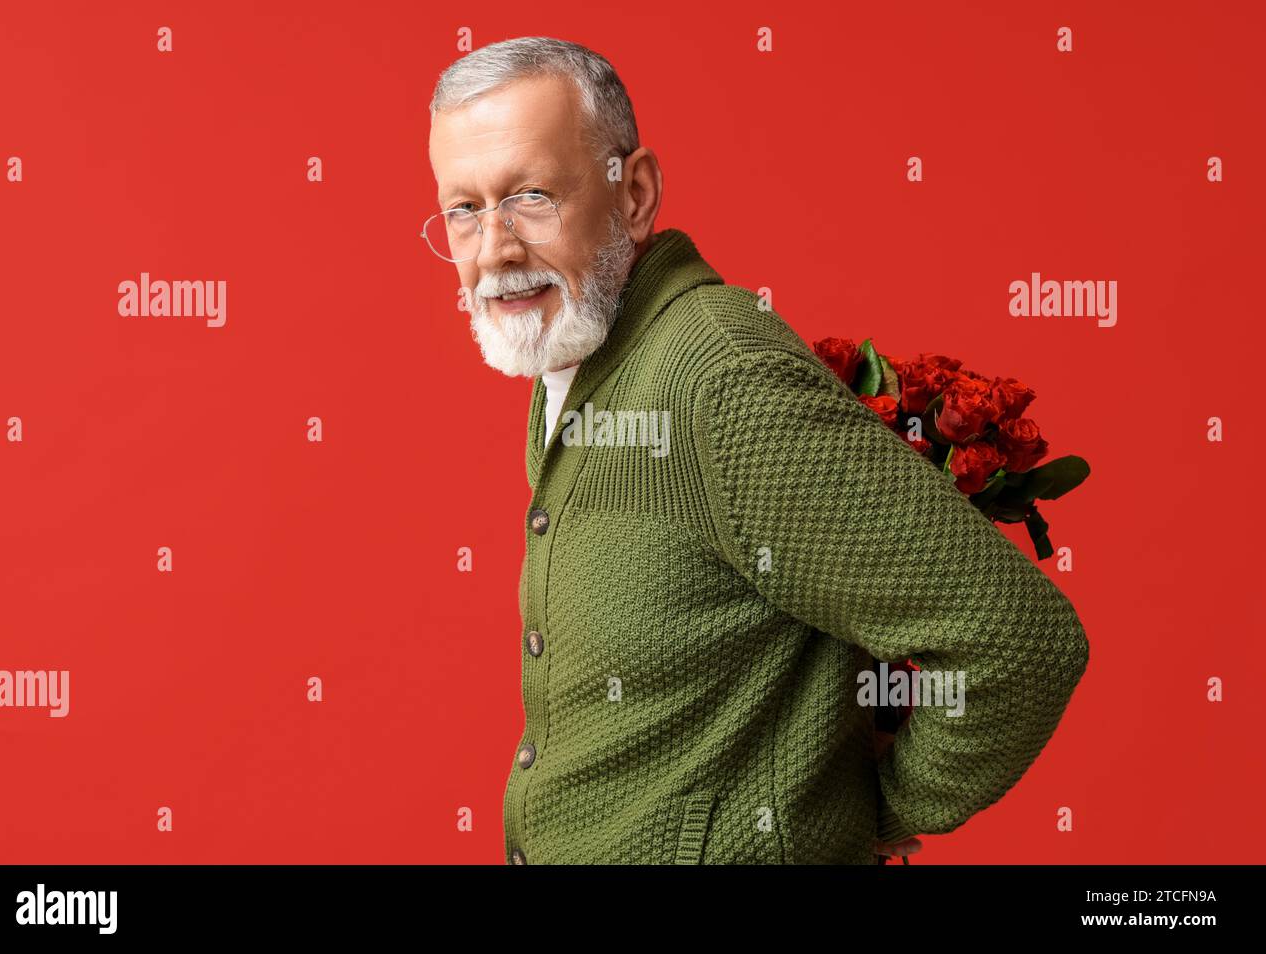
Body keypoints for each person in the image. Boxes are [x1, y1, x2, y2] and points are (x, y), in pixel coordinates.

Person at [423, 36, 1089, 864]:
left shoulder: (720, 381)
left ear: (633, 195)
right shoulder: (576, 357)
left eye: (529, 196)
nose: (494, 250)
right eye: (463, 208)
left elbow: (1017, 641)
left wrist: (857, 816)